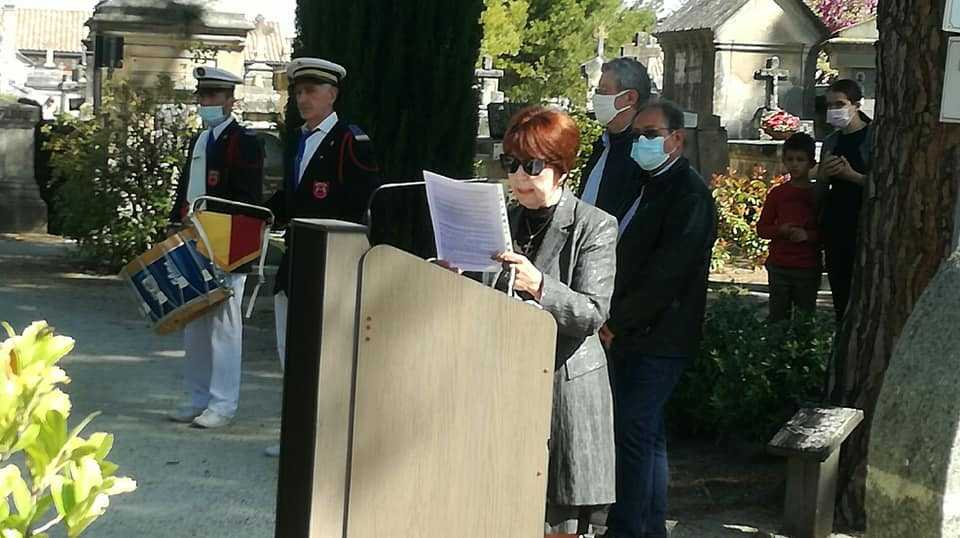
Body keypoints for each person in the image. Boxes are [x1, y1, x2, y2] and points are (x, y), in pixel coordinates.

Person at [439, 106, 618, 535]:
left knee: (560, 519)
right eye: (511, 164)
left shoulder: (594, 226)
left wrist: (540, 285)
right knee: (502, 505)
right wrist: (457, 275)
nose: (518, 176)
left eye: (532, 165)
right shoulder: (503, 218)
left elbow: (593, 312)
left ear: (561, 170)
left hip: (565, 386)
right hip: (506, 384)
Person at [599, 100, 716, 538]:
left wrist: (618, 322)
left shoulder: (689, 195)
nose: (642, 142)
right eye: (638, 134)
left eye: (651, 134)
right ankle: (647, 526)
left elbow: (666, 274)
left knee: (633, 432)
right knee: (646, 435)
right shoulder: (643, 184)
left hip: (659, 336)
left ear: (676, 140)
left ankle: (629, 528)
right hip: (634, 333)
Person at [264, 57, 381, 455]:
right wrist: (262, 214)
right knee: (290, 348)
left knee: (322, 352)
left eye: (311, 90)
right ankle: (296, 432)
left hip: (330, 261)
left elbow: (361, 198)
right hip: (296, 257)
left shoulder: (350, 139)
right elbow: (291, 197)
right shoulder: (299, 139)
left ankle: (325, 437)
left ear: (332, 95)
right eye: (298, 91)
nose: (302, 98)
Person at [167, 66, 264, 429]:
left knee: (223, 326)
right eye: (202, 95)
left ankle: (223, 404)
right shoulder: (200, 139)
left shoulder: (244, 141)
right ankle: (197, 398)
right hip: (194, 239)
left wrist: (217, 225)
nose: (205, 102)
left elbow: (247, 198)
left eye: (213, 96)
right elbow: (187, 189)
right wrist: (176, 220)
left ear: (230, 100)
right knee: (193, 322)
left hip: (226, 241)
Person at [818, 78, 873, 323]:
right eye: (829, 106)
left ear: (856, 104)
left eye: (839, 104)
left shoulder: (873, 137)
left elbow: (884, 184)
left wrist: (852, 175)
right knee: (839, 285)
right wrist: (824, 173)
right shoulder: (831, 141)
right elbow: (821, 184)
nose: (833, 111)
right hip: (836, 219)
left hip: (864, 220)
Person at [757, 132, 822, 322]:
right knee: (778, 318)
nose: (795, 164)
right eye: (790, 159)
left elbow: (826, 233)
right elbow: (762, 229)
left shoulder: (818, 195)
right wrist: (781, 230)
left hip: (807, 267)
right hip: (779, 266)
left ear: (811, 163)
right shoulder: (777, 194)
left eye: (800, 160)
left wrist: (807, 236)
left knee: (804, 319)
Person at [577, 58, 653, 219]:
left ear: (630, 97)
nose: (596, 98)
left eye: (603, 91)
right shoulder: (604, 144)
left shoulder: (644, 154)